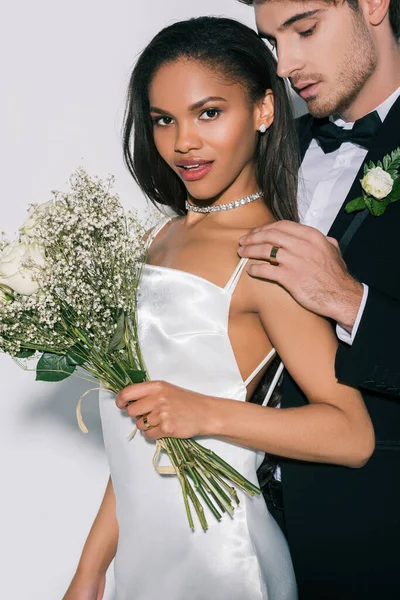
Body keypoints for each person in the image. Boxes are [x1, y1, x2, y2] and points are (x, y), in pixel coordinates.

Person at [63, 17, 375, 600]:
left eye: (209, 113)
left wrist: (203, 413)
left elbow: (351, 434)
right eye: (164, 119)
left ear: (263, 110)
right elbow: (139, 431)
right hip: (146, 555)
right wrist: (90, 568)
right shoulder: (161, 239)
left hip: (223, 559)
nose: (184, 141)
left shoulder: (270, 254)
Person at [237, 1, 400, 598]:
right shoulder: (263, 150)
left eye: (305, 29)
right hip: (244, 533)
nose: (285, 64)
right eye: (273, 41)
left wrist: (350, 301)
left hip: (378, 544)